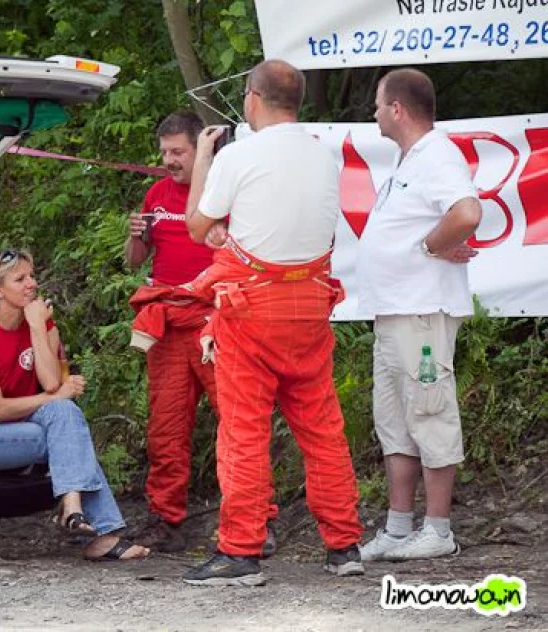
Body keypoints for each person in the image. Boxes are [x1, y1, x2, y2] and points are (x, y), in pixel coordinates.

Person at [183, 59, 364, 586]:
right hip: (310, 307)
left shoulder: (240, 154)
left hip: (250, 311)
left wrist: (201, 161)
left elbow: (197, 225)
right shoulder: (322, 155)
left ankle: (241, 552)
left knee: (244, 432)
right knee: (323, 430)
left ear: (251, 99)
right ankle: (344, 545)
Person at [124, 110, 277, 553]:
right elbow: (136, 260)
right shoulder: (156, 192)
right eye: (164, 152)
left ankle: (258, 522)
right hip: (167, 323)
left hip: (217, 321)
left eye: (178, 152)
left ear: (202, 149)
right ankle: (165, 519)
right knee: (166, 427)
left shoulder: (223, 192)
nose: (169, 160)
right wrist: (136, 235)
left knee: (239, 422)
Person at [0, 248, 149, 562]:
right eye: (20, 279)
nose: (31, 284)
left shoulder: (42, 323)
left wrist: (36, 328)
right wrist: (54, 397)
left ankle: (74, 509)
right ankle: (100, 531)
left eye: (32, 275)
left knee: (66, 415)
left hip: (27, 426)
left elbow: (52, 383)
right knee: (69, 431)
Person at [356, 68, 482, 561]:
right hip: (393, 314)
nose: (373, 111)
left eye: (377, 103)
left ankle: (438, 529)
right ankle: (399, 526)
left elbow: (466, 213)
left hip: (422, 313)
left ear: (398, 109)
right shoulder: (410, 160)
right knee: (395, 423)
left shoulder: (438, 154)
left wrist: (433, 245)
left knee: (430, 414)